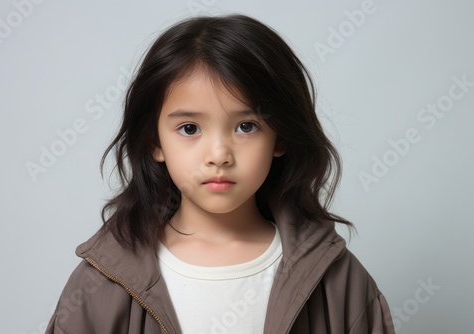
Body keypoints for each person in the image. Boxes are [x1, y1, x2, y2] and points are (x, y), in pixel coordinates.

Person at [45, 14, 395, 334]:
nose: (218, 155)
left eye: (246, 126)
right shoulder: (100, 284)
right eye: (189, 128)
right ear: (155, 142)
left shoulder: (338, 279)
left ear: (281, 136)